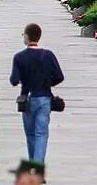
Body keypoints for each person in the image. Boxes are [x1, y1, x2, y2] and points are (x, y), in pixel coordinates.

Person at [10, 23, 64, 162]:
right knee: (41, 133)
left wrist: (23, 80)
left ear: (26, 37)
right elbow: (59, 76)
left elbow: (14, 80)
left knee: (30, 134)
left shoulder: (19, 57)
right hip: (45, 98)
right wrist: (47, 83)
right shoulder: (48, 55)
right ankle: (38, 166)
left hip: (27, 99)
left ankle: (33, 164)